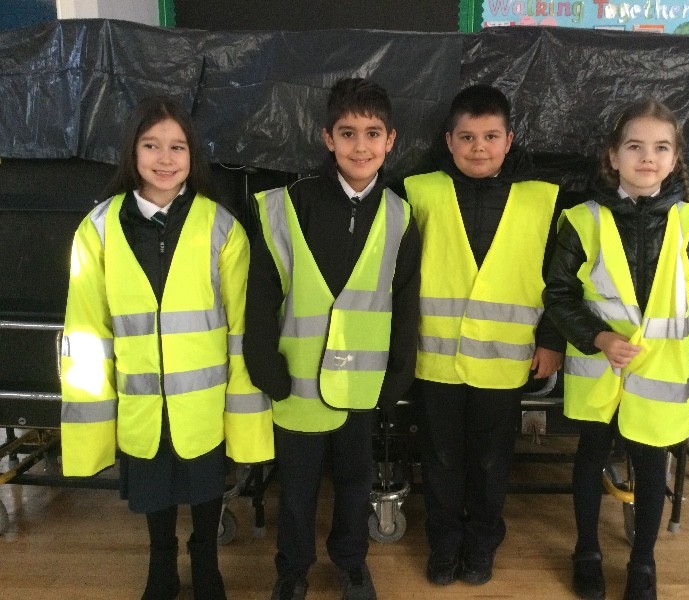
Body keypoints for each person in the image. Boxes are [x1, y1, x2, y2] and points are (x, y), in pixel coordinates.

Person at [59, 95, 274, 600]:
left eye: (178, 146)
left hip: (202, 406)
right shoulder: (98, 230)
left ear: (192, 155)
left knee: (205, 490)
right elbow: (87, 331)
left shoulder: (221, 227)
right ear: (132, 152)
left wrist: (242, 415)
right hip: (141, 404)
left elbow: (242, 330)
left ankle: (206, 563)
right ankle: (161, 567)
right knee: (153, 492)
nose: (165, 158)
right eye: (151, 145)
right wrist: (95, 420)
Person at [543, 98, 689, 600]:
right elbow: (557, 295)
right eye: (635, 146)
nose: (648, 157)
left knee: (651, 469)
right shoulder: (582, 220)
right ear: (613, 155)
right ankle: (586, 552)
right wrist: (599, 337)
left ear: (675, 158)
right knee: (590, 458)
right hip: (598, 371)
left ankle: (643, 563)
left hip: (664, 379)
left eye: (661, 147)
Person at [243, 78, 421, 600]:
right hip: (294, 382)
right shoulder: (285, 206)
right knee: (296, 487)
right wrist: (264, 364)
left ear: (391, 140)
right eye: (347, 133)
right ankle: (292, 569)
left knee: (355, 481)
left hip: (362, 387)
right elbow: (261, 293)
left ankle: (351, 561)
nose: (360, 146)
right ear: (327, 138)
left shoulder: (400, 216)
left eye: (372, 133)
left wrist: (400, 371)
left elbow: (405, 299)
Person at [404, 84, 564, 586]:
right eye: (468, 137)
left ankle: (481, 544)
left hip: (505, 360)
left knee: (492, 461)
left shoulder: (541, 200)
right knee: (440, 459)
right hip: (436, 360)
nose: (479, 148)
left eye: (491, 136)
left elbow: (561, 277)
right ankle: (444, 544)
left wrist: (552, 340)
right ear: (449, 141)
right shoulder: (419, 192)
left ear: (509, 140)